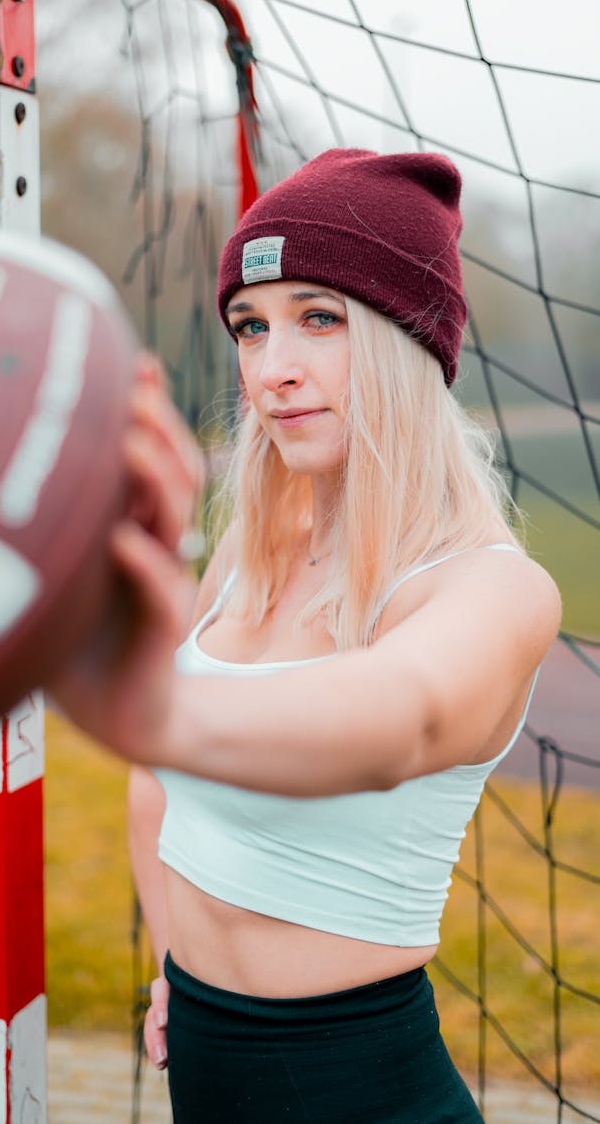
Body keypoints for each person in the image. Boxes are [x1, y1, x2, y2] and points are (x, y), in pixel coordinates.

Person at [53, 148, 561, 1122]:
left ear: (411, 341)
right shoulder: (254, 544)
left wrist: (115, 684)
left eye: (319, 320)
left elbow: (391, 725)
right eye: (251, 327)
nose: (272, 370)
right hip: (202, 1064)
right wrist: (174, 967)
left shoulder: (494, 589)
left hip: (360, 1088)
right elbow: (158, 785)